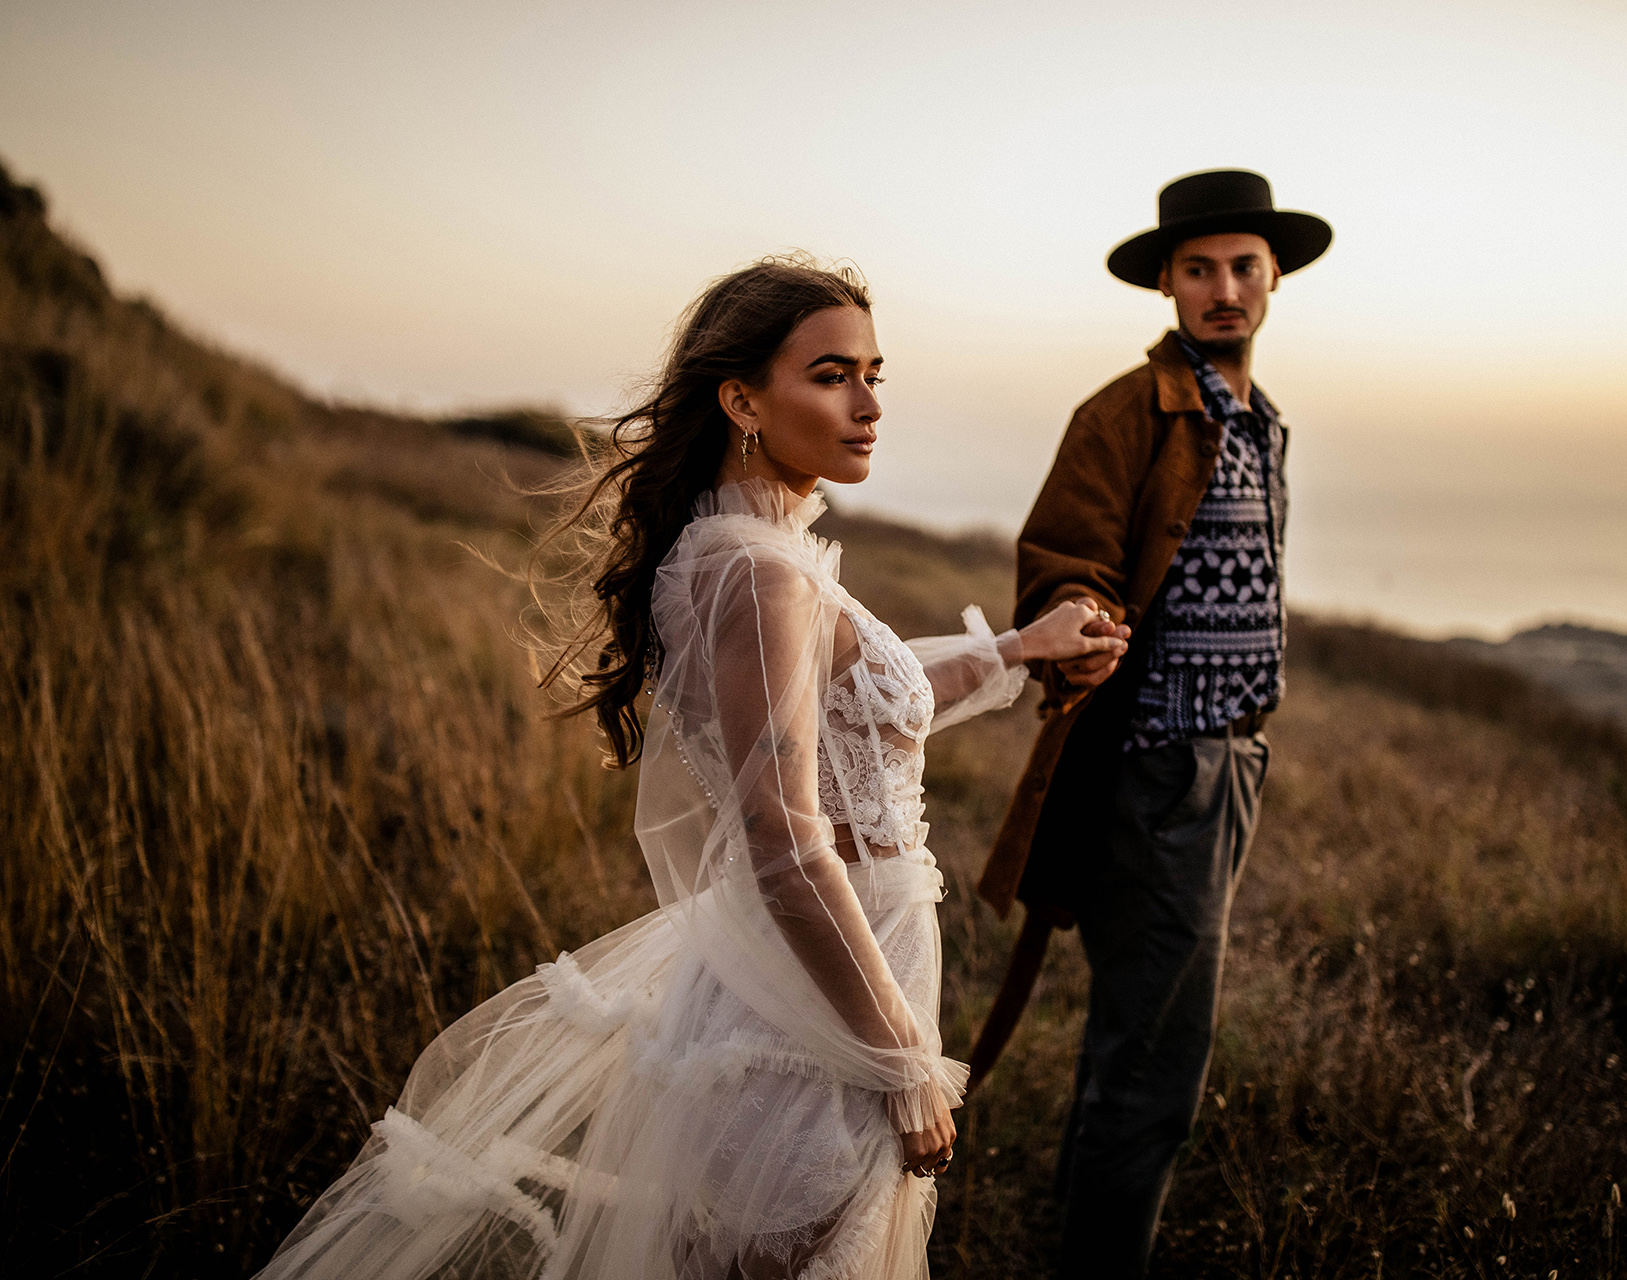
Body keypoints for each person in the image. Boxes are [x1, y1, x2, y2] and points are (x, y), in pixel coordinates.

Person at [255, 257, 1125, 1280]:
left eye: (875, 374)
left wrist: (1021, 647)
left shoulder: (745, 552)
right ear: (743, 399)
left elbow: (860, 689)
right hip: (815, 1010)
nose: (868, 404)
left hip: (811, 979)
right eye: (833, 374)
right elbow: (784, 835)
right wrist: (900, 1054)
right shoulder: (760, 576)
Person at [968, 170, 1333, 1279]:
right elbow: (1063, 555)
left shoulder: (1259, 420)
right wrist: (1075, 614)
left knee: (1147, 1042)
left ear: (1271, 279)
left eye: (1241, 267)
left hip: (1235, 760)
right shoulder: (1129, 410)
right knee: (1155, 1060)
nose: (1223, 288)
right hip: (1164, 762)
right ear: (1167, 285)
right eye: (1198, 269)